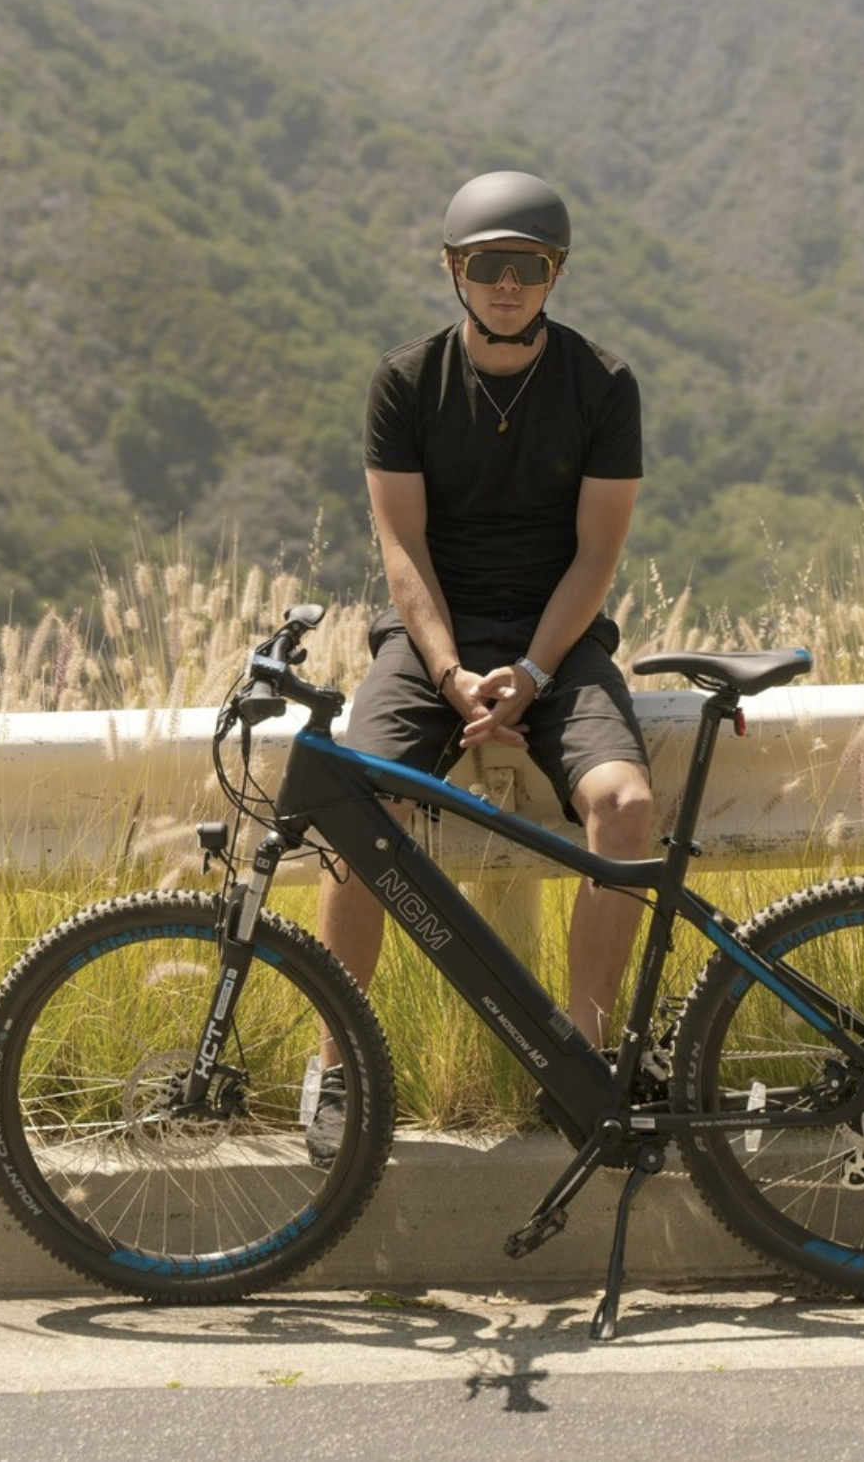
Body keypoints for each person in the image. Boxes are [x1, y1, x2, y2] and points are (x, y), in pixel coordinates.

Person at [309, 170, 654, 1162]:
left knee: (626, 809)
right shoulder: (406, 383)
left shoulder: (605, 385)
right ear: (455, 271)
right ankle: (338, 1062)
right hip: (432, 640)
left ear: (555, 274)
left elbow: (598, 553)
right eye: (489, 266)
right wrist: (453, 669)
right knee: (359, 808)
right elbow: (401, 548)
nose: (509, 285)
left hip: (559, 636)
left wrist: (537, 674)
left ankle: (578, 1051)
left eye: (531, 267)